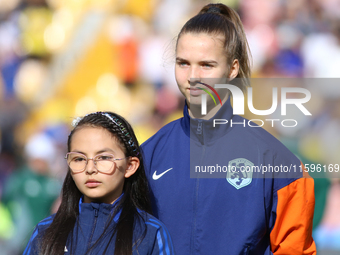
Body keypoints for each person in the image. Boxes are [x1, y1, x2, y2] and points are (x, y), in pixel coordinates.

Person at [141, 3, 316, 255]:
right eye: (183, 63)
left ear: (233, 69)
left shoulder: (278, 162)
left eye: (206, 65)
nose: (193, 76)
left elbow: (295, 250)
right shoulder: (148, 155)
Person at [23, 112, 174, 255]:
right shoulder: (46, 231)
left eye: (103, 158)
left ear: (130, 166)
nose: (90, 169)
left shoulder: (150, 233)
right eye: (79, 159)